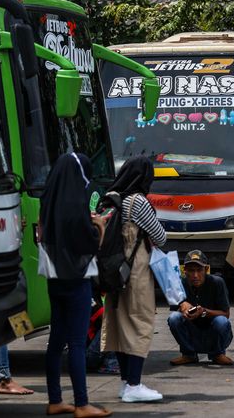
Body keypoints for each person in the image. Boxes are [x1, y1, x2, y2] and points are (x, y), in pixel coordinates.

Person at [39, 152, 111, 417]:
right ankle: (82, 403)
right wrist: (100, 226)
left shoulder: (48, 201)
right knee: (78, 343)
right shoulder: (75, 204)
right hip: (77, 280)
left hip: (53, 279)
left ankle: (55, 399)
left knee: (56, 341)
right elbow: (91, 246)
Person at [101, 156, 167, 403]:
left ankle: (125, 383)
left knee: (119, 324)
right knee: (140, 322)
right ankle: (134, 384)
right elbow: (160, 236)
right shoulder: (138, 202)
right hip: (135, 271)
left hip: (114, 271)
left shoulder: (111, 196)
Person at [167, 250, 233, 366]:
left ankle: (217, 353)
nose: (195, 275)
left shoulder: (217, 283)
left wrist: (203, 312)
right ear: (185, 271)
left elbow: (226, 314)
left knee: (222, 321)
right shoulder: (179, 284)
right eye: (191, 271)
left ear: (206, 270)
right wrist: (183, 305)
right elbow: (175, 308)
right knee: (174, 318)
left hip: (212, 332)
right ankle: (188, 354)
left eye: (199, 270)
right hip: (192, 332)